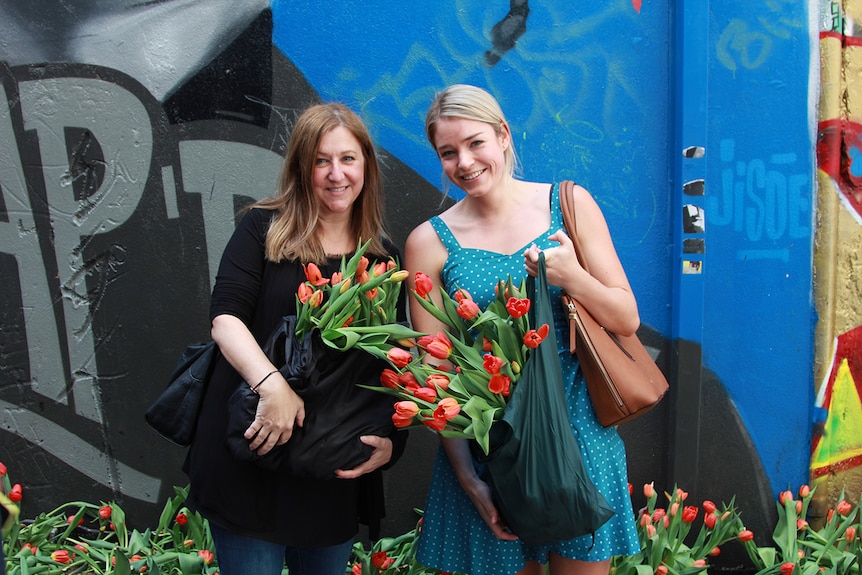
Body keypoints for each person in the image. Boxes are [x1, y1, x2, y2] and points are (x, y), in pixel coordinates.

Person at [404, 84, 641, 575]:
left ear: (503, 135)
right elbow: (436, 368)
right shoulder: (429, 242)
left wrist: (571, 276)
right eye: (448, 153)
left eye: (475, 143)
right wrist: (469, 478)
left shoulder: (568, 206)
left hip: (578, 439)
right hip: (489, 451)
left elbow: (625, 317)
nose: (464, 162)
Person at [184, 103, 407, 575]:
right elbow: (225, 318)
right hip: (255, 450)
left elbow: (392, 362)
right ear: (301, 167)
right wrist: (273, 386)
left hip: (331, 468)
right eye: (320, 160)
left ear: (365, 164)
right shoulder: (263, 230)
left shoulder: (384, 259)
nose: (335, 174)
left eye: (348, 159)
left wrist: (392, 443)